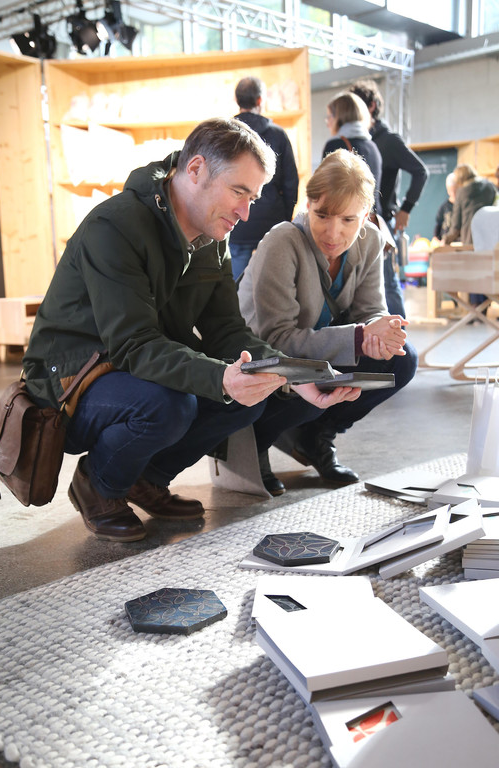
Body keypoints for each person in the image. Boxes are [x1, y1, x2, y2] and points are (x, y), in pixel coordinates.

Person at [22, 118, 359, 541]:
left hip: (131, 370)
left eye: (252, 198)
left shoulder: (211, 237)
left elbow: (226, 330)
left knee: (247, 398)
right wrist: (221, 378)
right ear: (196, 169)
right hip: (70, 381)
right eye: (239, 192)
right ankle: (98, 484)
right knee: (172, 405)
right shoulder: (114, 227)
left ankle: (146, 479)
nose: (246, 213)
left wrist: (293, 375)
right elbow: (133, 345)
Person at [239, 148, 418, 487]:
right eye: (322, 215)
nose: (333, 233)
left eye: (348, 220)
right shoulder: (282, 241)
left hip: (313, 352)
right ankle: (256, 438)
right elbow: (276, 339)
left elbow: (371, 310)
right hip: (261, 360)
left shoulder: (371, 241)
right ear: (308, 205)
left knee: (402, 359)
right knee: (316, 373)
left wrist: (380, 333)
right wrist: (360, 337)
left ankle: (316, 436)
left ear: (365, 216)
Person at [350, 80, 429, 318]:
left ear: (371, 106)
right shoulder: (356, 140)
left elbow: (420, 171)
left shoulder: (389, 141)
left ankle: (400, 337)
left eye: (357, 106)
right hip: (355, 223)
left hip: (381, 222)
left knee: (387, 283)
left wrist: (406, 208)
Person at [229, 76, 299, 280]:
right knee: (274, 282)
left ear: (237, 100)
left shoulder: (226, 133)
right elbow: (291, 182)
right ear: (260, 100)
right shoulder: (278, 134)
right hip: (272, 221)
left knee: (238, 286)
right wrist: (285, 218)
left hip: (236, 221)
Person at [322, 91, 382, 215]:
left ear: (339, 118)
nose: (327, 123)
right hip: (371, 217)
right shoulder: (372, 146)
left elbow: (326, 189)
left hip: (347, 218)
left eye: (329, 117)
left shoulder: (335, 145)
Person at [444, 163, 497, 246]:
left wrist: (445, 241)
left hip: (470, 240)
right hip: (491, 239)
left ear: (459, 180)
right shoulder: (490, 186)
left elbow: (456, 227)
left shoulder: (462, 192)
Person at [433, 172, 456, 245]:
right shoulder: (444, 207)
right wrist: (436, 238)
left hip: (457, 241)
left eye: (455, 190)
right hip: (445, 242)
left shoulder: (462, 206)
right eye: (451, 190)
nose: (453, 193)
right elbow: (438, 224)